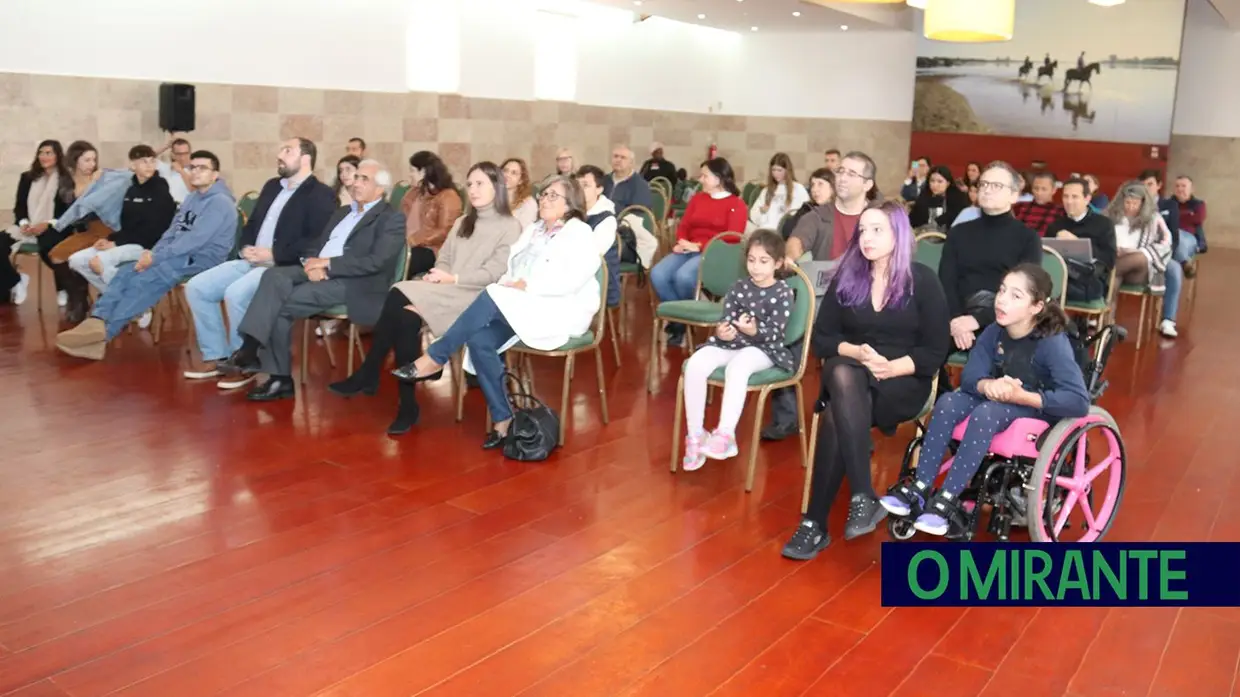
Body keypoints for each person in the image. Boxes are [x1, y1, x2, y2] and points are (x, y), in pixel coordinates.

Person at [781, 201, 951, 560]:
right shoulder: (848, 276)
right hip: (854, 377)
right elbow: (823, 339)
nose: (867, 238)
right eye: (863, 230)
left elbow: (936, 350)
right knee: (843, 373)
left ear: (899, 235)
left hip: (903, 380)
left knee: (836, 408)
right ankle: (861, 495)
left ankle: (815, 523)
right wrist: (857, 352)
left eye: (878, 230)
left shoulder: (923, 280)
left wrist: (892, 366)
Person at [391, 175, 601, 449]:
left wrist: (527, 285)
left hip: (559, 309)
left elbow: (574, 277)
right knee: (480, 340)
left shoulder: (579, 232)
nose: (544, 199)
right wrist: (513, 285)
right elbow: (511, 270)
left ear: (571, 203)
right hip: (523, 305)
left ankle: (436, 356)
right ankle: (503, 420)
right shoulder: (534, 230)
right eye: (544, 194)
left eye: (553, 196)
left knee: (490, 292)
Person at [879, 264, 1089, 536]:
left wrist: (1023, 396)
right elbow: (970, 377)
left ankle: (948, 499)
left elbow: (1078, 401)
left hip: (1034, 412)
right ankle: (920, 487)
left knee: (987, 413)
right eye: (1002, 290)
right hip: (999, 402)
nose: (1001, 299)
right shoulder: (994, 332)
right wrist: (988, 384)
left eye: (1015, 296)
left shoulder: (1051, 343)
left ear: (1036, 307)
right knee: (947, 402)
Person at [329, 161, 521, 434]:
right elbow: (444, 258)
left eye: (480, 184)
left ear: (496, 187)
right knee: (403, 310)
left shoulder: (509, 226)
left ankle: (371, 373)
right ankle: (407, 404)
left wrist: (452, 279)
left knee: (399, 295)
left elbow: (494, 272)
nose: (473, 190)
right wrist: (438, 274)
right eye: (470, 184)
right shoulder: (464, 222)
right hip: (448, 289)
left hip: (476, 298)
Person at [223, 159, 406, 401]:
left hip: (355, 283)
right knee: (274, 275)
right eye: (356, 177)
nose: (355, 182)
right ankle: (252, 349)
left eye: (364, 179)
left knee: (280, 305)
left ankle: (275, 374)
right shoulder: (342, 212)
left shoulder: (391, 219)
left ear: (380, 190)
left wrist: (328, 266)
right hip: (318, 269)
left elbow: (376, 262)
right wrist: (310, 263)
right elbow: (317, 244)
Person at [55, 151, 236, 360]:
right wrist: (153, 252)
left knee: (149, 278)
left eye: (202, 168)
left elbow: (194, 240)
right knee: (126, 271)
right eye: (192, 167)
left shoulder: (220, 202)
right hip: (177, 254)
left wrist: (156, 258)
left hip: (202, 259)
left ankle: (105, 333)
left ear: (215, 174)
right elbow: (172, 232)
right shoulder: (193, 198)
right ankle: (96, 320)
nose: (195, 172)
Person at [183, 138, 336, 382]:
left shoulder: (321, 195)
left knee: (236, 293)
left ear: (306, 158)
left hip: (283, 266)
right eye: (280, 150)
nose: (280, 155)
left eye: (287, 150)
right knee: (197, 287)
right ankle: (217, 356)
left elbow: (315, 241)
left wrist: (273, 254)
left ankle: (243, 360)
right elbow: (252, 223)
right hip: (252, 260)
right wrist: (245, 247)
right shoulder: (272, 186)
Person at [765, 152, 877, 441]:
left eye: (852, 173)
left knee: (859, 347)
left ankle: (854, 424)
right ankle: (786, 417)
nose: (842, 177)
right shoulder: (819, 215)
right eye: (840, 171)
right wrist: (790, 257)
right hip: (823, 299)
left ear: (867, 184)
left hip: (866, 304)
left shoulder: (879, 217)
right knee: (788, 332)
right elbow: (797, 240)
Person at [681, 230, 795, 469]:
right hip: (733, 343)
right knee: (695, 363)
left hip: (765, 349)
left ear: (778, 263)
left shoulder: (783, 292)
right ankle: (695, 435)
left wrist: (754, 332)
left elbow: (777, 333)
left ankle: (725, 434)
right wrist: (723, 331)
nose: (756, 267)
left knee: (739, 366)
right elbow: (726, 319)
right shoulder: (738, 287)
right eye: (752, 260)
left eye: (764, 261)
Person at [939, 161, 1042, 352]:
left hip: (1002, 320)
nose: (987, 190)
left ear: (1014, 195)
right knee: (921, 347)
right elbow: (946, 281)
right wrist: (956, 320)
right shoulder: (959, 232)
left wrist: (976, 320)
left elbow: (1025, 292)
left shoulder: (1027, 238)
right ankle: (942, 383)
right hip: (957, 315)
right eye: (984, 184)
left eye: (996, 186)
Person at [649, 157, 748, 347]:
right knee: (657, 274)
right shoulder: (698, 198)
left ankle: (680, 322)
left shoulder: (736, 204)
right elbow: (684, 224)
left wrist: (700, 246)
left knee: (684, 277)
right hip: (689, 248)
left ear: (719, 179)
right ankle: (681, 321)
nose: (700, 180)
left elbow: (732, 237)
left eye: (705, 176)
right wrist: (681, 242)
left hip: (714, 254)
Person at [66, 145, 177, 293]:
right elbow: (127, 226)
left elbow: (155, 230)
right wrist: (110, 239)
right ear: (133, 165)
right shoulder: (130, 190)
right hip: (128, 242)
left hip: (149, 247)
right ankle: (121, 299)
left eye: (152, 161)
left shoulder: (160, 189)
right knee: (76, 260)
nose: (149, 165)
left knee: (100, 262)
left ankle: (134, 305)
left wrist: (116, 243)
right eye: (144, 161)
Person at [0, 140, 75, 307]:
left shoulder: (66, 179)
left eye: (49, 153)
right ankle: (16, 281)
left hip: (55, 226)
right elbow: (19, 207)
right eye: (41, 152)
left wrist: (47, 224)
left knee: (50, 246)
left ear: (58, 156)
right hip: (27, 227)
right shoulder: (27, 178)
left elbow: (69, 211)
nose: (44, 156)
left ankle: (63, 288)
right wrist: (24, 223)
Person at [1046, 177, 1116, 303]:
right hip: (1057, 277)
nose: (1069, 201)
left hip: (1088, 282)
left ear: (1087, 198)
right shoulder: (1055, 225)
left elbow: (1110, 259)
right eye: (1065, 197)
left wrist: (1077, 243)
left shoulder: (1104, 224)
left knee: (1047, 289)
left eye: (1074, 197)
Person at [402, 151, 463, 277]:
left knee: (406, 259)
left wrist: (413, 240)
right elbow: (400, 219)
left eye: (412, 170)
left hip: (432, 250)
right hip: (405, 245)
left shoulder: (448, 196)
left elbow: (445, 231)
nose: (409, 174)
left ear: (423, 172)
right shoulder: (412, 193)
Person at [1139, 169, 1183, 337]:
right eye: (1142, 185)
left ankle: (1168, 320)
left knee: (1174, 270)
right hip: (1138, 252)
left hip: (1160, 253)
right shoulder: (1134, 203)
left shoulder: (1169, 206)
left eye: (1150, 184)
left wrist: (1166, 255)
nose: (1146, 188)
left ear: (1158, 185)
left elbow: (1174, 236)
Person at [1107, 180, 1172, 294]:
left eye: (1135, 203)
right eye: (1127, 202)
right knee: (1114, 281)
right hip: (1115, 259)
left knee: (1139, 257)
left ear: (1143, 203)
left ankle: (1103, 274)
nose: (1131, 207)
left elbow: (1166, 243)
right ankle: (1107, 311)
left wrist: (1138, 251)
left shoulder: (1154, 219)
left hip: (1138, 271)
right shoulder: (1110, 216)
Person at [576, 165, 620, 306]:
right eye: (577, 186)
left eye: (586, 186)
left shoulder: (606, 219)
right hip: (575, 277)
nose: (580, 190)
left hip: (598, 285)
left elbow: (591, 256)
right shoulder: (571, 214)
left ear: (599, 189)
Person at [748, 153, 809, 232]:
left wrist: (789, 214)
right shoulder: (766, 191)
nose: (776, 174)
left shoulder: (798, 188)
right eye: (773, 170)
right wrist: (762, 211)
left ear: (787, 170)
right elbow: (754, 215)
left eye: (779, 170)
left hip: (786, 232)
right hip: (765, 230)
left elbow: (805, 213)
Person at [778, 167, 834, 243]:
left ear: (832, 188)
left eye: (820, 184)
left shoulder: (841, 211)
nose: (814, 189)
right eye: (813, 185)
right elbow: (787, 232)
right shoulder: (806, 208)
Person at [909, 165, 969, 231]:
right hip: (923, 236)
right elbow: (913, 220)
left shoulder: (958, 198)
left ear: (948, 183)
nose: (935, 185)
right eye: (932, 181)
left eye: (940, 181)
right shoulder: (924, 196)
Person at [603, 145, 655, 213]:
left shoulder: (640, 185)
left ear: (631, 163)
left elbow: (639, 213)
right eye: (616, 156)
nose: (618, 160)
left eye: (623, 157)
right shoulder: (603, 180)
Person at [1011, 172, 1062, 237]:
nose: (1039, 193)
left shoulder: (1060, 211)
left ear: (1054, 190)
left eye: (1044, 189)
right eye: (1036, 188)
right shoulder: (1020, 206)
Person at [501, 158, 538, 229]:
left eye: (514, 173)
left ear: (520, 180)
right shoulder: (492, 199)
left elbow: (524, 233)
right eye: (505, 170)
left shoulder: (528, 204)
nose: (507, 175)